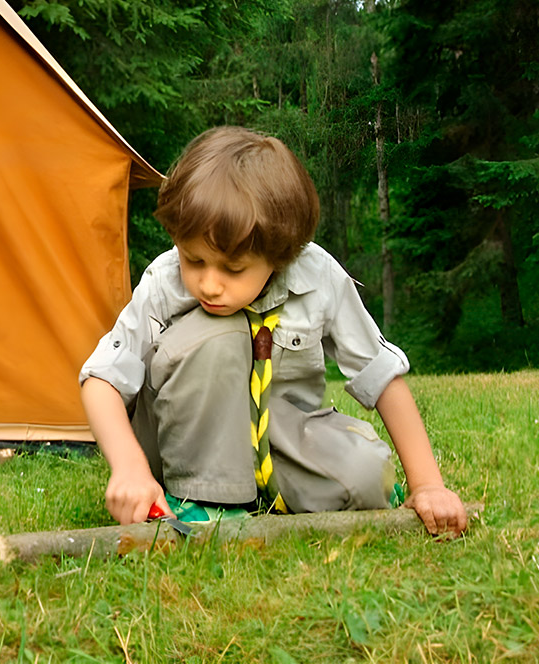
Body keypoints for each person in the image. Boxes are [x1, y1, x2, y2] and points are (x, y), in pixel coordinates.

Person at [80, 126, 468, 536]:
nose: (209, 284)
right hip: (180, 443)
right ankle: (200, 498)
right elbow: (102, 379)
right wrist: (129, 469)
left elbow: (381, 375)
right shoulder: (164, 280)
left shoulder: (319, 277)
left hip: (278, 438)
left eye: (233, 269)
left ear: (282, 254)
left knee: (367, 477)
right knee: (220, 334)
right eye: (194, 260)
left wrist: (428, 485)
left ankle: (257, 492)